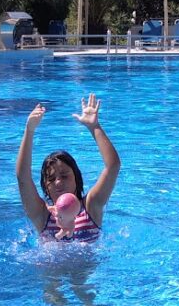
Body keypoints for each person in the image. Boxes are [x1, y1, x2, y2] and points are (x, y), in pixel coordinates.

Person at [16, 93, 121, 242]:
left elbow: (113, 166)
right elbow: (23, 177)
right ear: (46, 187)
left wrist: (94, 127)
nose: (58, 182)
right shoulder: (42, 214)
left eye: (64, 176)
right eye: (51, 179)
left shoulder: (91, 207)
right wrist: (29, 130)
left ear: (77, 179)